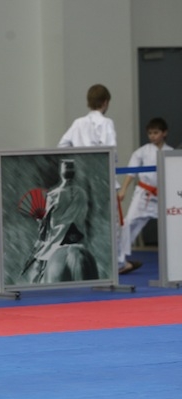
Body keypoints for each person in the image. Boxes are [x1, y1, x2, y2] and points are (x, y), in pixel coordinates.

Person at [56, 84, 140, 275]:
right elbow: (111, 151)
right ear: (105, 102)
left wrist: (79, 160)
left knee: (86, 221)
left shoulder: (78, 123)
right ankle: (118, 263)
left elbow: (62, 146)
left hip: (82, 179)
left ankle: (89, 263)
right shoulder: (106, 123)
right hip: (102, 179)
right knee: (112, 222)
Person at [20, 159, 98, 283]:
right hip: (79, 237)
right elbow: (85, 215)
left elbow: (47, 223)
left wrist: (40, 222)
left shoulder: (53, 195)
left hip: (58, 238)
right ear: (74, 174)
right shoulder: (82, 194)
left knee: (37, 268)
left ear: (61, 173)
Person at [117, 117, 173, 273]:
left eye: (156, 132)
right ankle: (120, 261)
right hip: (144, 195)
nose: (152, 136)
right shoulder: (142, 152)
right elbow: (131, 172)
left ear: (164, 133)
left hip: (164, 197)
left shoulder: (170, 152)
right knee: (128, 223)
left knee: (175, 226)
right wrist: (123, 190)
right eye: (150, 133)